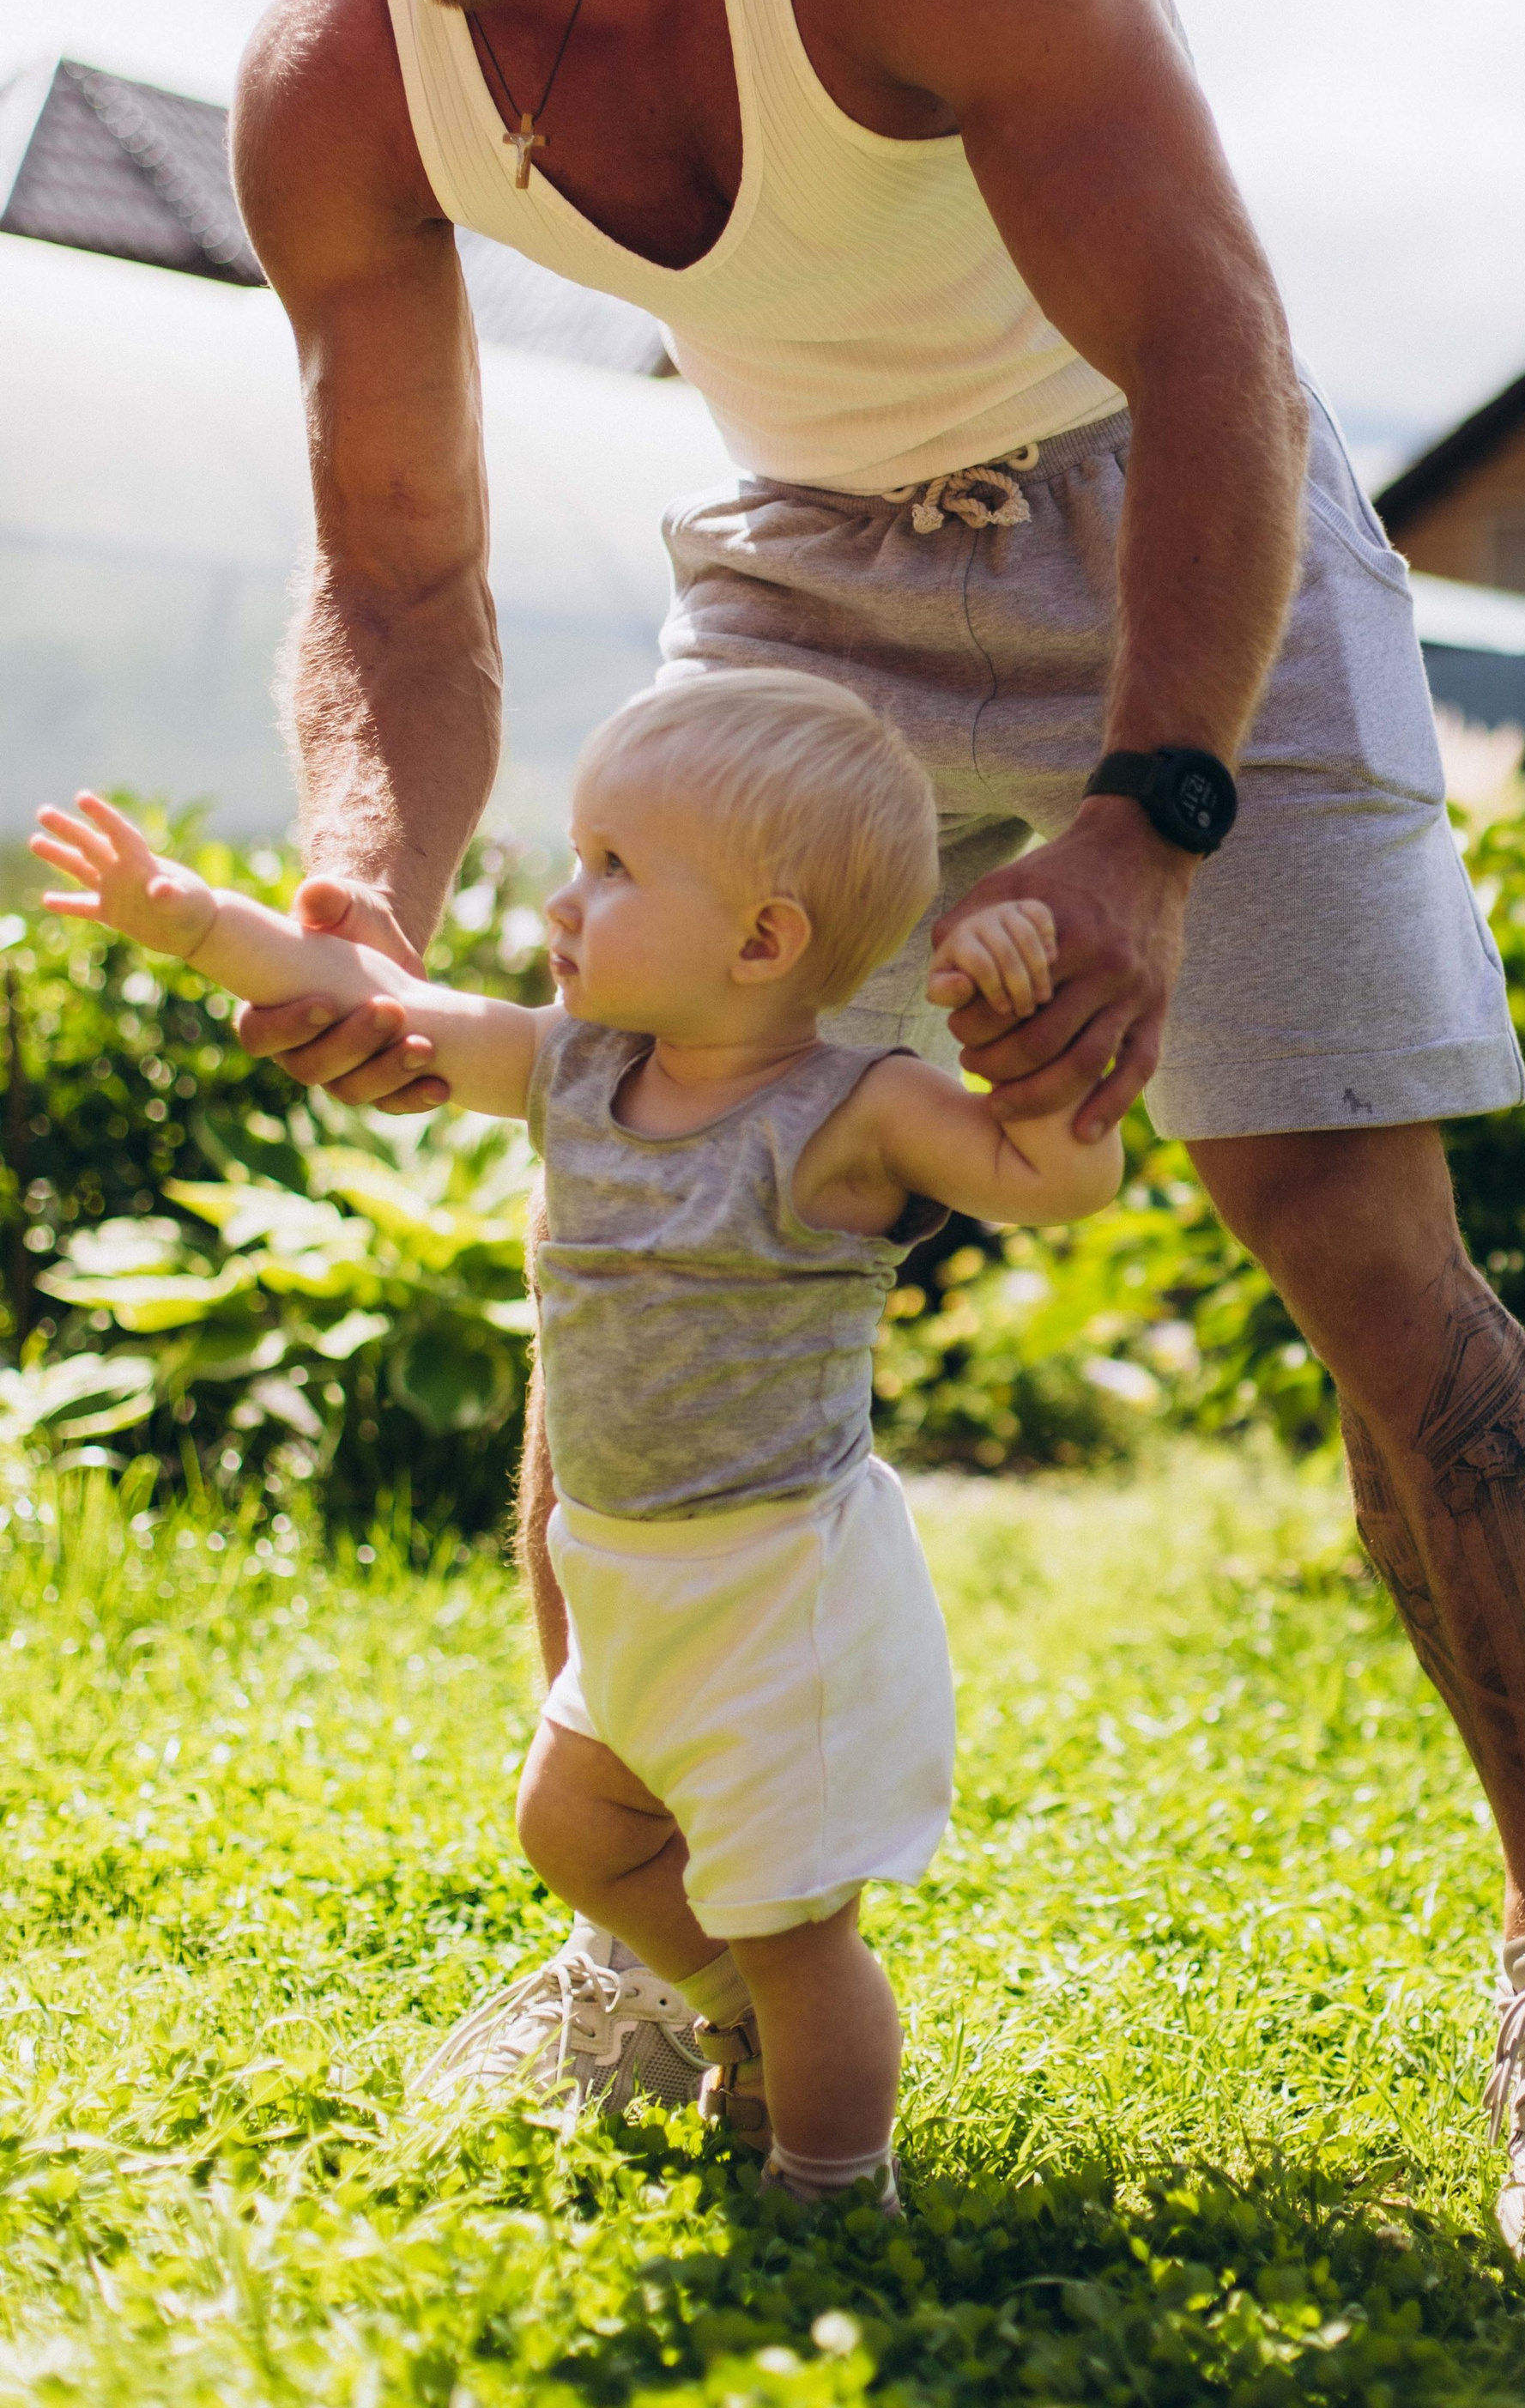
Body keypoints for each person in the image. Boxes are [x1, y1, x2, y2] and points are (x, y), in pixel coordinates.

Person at [190, 0, 1525, 2252]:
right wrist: (356, 886)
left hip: (1172, 500)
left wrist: (1147, 828)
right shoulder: (338, 68)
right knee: (635, 1157)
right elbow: (396, 580)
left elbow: (1211, 340)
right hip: (808, 562)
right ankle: (666, 1949)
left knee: (1343, 1225)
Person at [33, 676, 1119, 2207]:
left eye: (614, 869)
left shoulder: (857, 1110)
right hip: (627, 1578)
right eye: (577, 855)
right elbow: (379, 1009)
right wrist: (193, 919)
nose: (562, 900)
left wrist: (1020, 1040)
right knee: (573, 1826)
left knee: (800, 1931)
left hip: (774, 1597)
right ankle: (733, 2012)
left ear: (763, 941)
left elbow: (1058, 1181)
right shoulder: (576, 1069)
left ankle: (833, 2185)